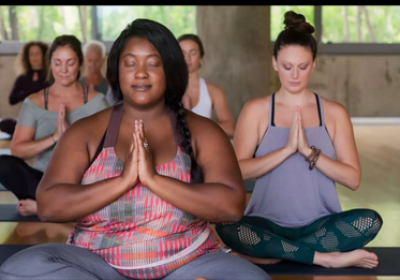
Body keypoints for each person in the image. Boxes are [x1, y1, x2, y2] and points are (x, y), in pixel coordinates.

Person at [0, 19, 270, 280]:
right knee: (20, 269)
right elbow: (49, 205)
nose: (141, 73)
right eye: (130, 64)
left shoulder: (203, 131)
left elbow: (231, 205)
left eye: (153, 63)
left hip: (186, 262)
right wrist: (123, 180)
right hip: (98, 265)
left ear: (171, 70)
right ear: (118, 71)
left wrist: (153, 179)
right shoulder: (86, 131)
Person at [216, 11, 383, 269]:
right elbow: (236, 171)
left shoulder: (334, 113)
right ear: (274, 63)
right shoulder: (257, 110)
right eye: (287, 66)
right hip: (266, 223)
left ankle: (270, 254)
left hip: (319, 225)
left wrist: (308, 152)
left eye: (302, 67)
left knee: (370, 221)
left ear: (313, 64)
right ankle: (324, 259)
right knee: (226, 225)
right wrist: (285, 150)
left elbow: (353, 179)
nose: (294, 75)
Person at [0, 35, 109, 217]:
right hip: (42, 181)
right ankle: (55, 205)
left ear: (79, 63)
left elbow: (110, 150)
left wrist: (72, 140)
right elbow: (17, 150)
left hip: (82, 181)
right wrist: (55, 137)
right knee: (4, 164)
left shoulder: (97, 102)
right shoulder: (33, 102)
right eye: (57, 63)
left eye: (70, 63)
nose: (63, 70)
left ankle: (43, 207)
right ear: (50, 64)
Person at [178, 34, 235, 138]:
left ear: (200, 56)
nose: (187, 58)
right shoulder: (167, 89)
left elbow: (230, 128)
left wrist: (196, 124)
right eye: (182, 53)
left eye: (193, 53)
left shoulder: (213, 91)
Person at [0, 41, 50, 137]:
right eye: (32, 54)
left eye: (37, 53)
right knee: (4, 123)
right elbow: (12, 99)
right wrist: (29, 91)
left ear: (43, 56)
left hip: (45, 117)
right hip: (26, 118)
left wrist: (36, 85)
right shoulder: (23, 78)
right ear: (27, 57)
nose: (35, 57)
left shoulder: (50, 77)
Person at [79, 40, 116, 105]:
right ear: (84, 60)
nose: (93, 64)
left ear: (103, 60)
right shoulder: (78, 84)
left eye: (97, 60)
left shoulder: (109, 85)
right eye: (90, 60)